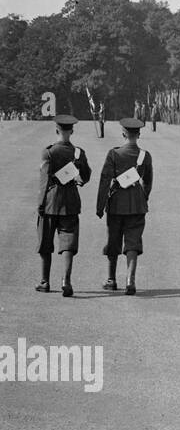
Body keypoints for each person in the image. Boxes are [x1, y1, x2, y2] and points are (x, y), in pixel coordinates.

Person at [95, 117, 154, 296]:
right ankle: (130, 280)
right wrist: (143, 198)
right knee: (133, 242)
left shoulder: (114, 154)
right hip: (137, 204)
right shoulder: (145, 155)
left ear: (123, 133)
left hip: (116, 203)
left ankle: (111, 279)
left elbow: (105, 180)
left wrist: (100, 205)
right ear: (139, 134)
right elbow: (148, 182)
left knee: (113, 240)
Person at [37, 114, 91, 297]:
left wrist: (40, 203)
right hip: (70, 202)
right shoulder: (78, 153)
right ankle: (65, 280)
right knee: (68, 242)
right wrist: (79, 179)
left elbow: (44, 181)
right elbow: (86, 176)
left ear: (56, 130)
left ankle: (44, 281)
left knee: (45, 240)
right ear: (72, 131)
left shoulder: (49, 152)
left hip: (51, 201)